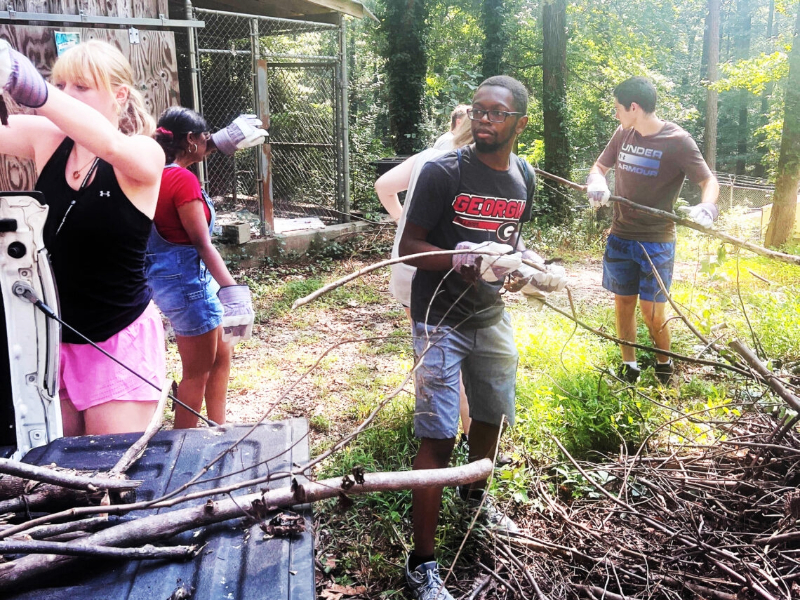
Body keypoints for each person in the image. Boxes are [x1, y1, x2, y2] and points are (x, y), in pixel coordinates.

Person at [398, 75, 567, 600]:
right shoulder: (443, 171)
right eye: (478, 111)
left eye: (496, 112)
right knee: (438, 435)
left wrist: (517, 271)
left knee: (493, 412)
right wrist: (457, 258)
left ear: (520, 121)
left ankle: (476, 499)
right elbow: (409, 245)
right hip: (438, 317)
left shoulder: (524, 176)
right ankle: (421, 563)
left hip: (490, 315)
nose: (484, 120)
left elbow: (509, 243)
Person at [0, 40, 167, 436]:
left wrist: (33, 90)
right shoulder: (48, 140)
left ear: (119, 95)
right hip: (52, 340)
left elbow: (107, 144)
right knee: (57, 479)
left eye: (80, 87)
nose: (64, 97)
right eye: (59, 86)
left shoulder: (142, 152)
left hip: (116, 338)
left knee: (107, 477)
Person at [586, 76, 719, 384]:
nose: (616, 114)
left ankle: (664, 367)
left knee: (653, 313)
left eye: (618, 108)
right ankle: (629, 367)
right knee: (623, 306)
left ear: (634, 107)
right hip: (620, 237)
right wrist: (597, 182)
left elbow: (708, 181)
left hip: (657, 241)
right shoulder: (623, 133)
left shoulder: (677, 140)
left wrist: (708, 207)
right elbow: (599, 167)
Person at [148, 107, 262, 428]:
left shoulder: (154, 171)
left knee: (221, 356)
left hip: (173, 279)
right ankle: (185, 445)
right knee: (196, 374)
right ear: (190, 139)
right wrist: (232, 290)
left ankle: (218, 430)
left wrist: (222, 140)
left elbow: (195, 150)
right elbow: (202, 243)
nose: (209, 140)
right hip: (189, 284)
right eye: (205, 136)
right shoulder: (182, 180)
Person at [375, 116, 474, 441]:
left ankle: (434, 423)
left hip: (407, 268)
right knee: (456, 357)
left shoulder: (427, 155)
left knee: (428, 347)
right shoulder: (466, 165)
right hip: (437, 272)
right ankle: (469, 438)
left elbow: (383, 186)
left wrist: (404, 221)